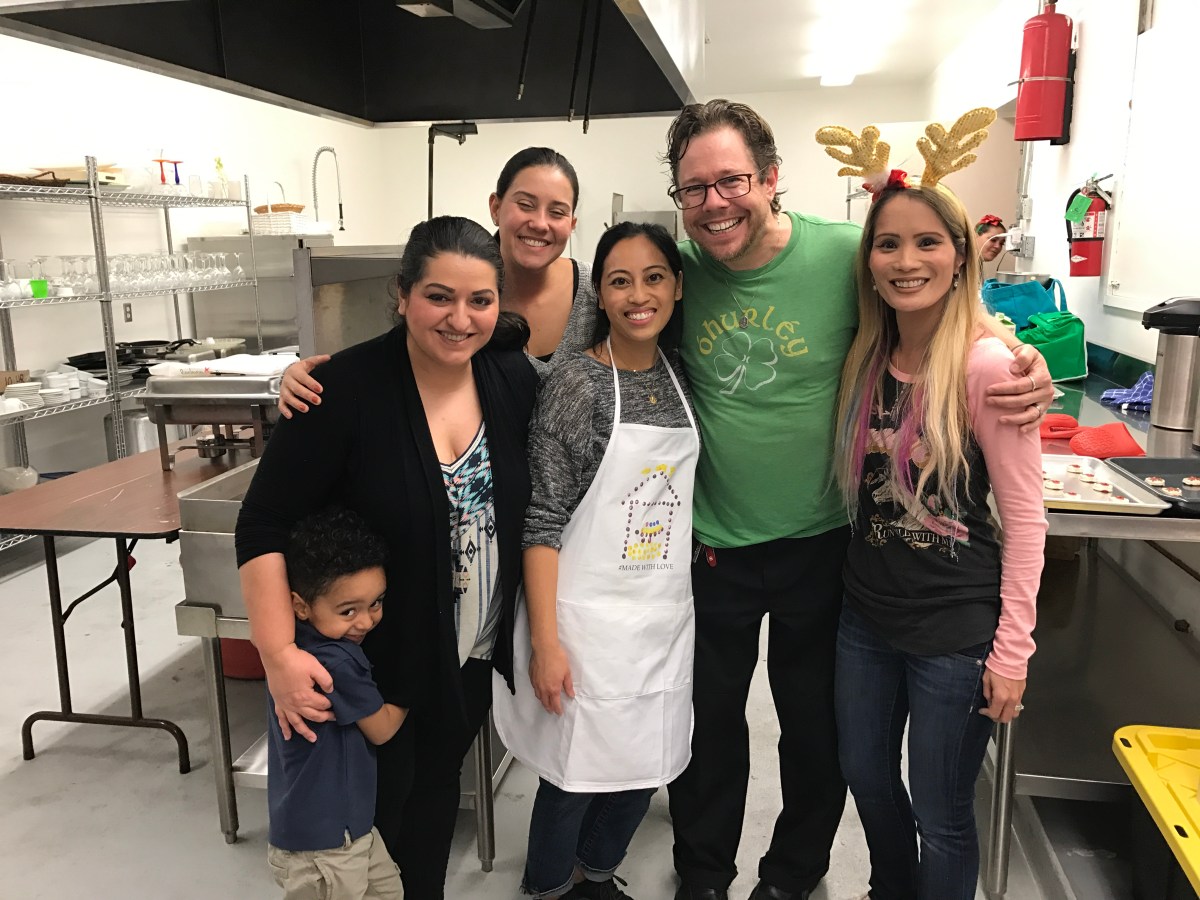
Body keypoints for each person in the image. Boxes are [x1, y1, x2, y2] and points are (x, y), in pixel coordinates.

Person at [663, 100, 1055, 900]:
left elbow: (937, 290)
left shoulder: (847, 251)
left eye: (731, 181)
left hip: (825, 545)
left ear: (770, 178)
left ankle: (792, 875)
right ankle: (703, 875)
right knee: (706, 725)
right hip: (713, 543)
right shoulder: (678, 270)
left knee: (817, 735)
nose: (714, 203)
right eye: (693, 188)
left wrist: (1021, 355)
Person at [235, 216, 538, 900]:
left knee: (431, 814)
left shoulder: (509, 377)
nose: (459, 319)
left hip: (466, 658)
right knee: (369, 835)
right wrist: (278, 656)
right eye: (438, 297)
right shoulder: (341, 389)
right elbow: (262, 523)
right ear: (402, 295)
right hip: (370, 666)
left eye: (480, 300)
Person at [823, 112, 1046, 899]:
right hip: (866, 616)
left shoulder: (988, 369)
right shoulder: (867, 354)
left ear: (960, 257)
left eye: (927, 243)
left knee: (942, 813)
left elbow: (1027, 520)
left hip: (956, 631)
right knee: (865, 775)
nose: (906, 260)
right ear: (869, 260)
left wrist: (1012, 652)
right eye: (888, 244)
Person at [493, 221, 698, 900]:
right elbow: (543, 519)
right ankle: (549, 886)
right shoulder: (577, 384)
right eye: (620, 281)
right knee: (574, 774)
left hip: (660, 616)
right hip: (584, 620)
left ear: (676, 287)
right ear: (600, 295)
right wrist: (545, 643)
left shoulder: (681, 375)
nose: (639, 295)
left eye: (654, 277)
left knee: (647, 762)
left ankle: (598, 874)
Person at [278, 147, 596, 415]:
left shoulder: (598, 291)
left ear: (572, 223)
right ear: (496, 207)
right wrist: (313, 380)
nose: (539, 223)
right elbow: (387, 357)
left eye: (557, 212)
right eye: (525, 205)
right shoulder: (448, 279)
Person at [266, 508, 405, 900]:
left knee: (388, 892)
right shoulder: (336, 663)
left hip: (347, 829)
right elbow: (382, 729)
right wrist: (415, 687)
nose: (366, 621)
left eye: (376, 603)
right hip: (324, 847)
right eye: (349, 611)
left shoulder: (294, 647)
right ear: (301, 605)